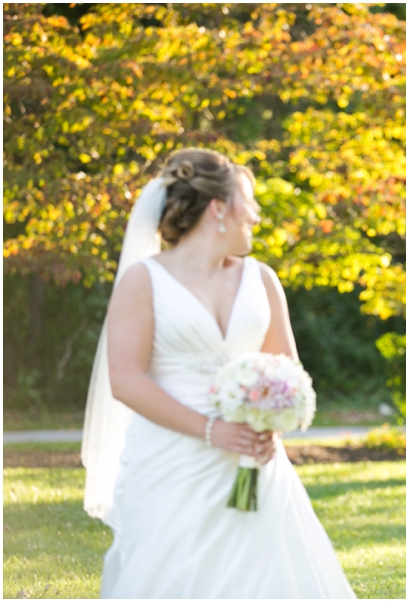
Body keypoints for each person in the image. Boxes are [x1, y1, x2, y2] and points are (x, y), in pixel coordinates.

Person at [82, 148, 356, 598]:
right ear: (218, 209)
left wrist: (273, 420)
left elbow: (288, 369)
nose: (257, 213)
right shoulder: (144, 279)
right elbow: (126, 379)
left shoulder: (262, 279)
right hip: (173, 459)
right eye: (248, 202)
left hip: (255, 458)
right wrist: (212, 431)